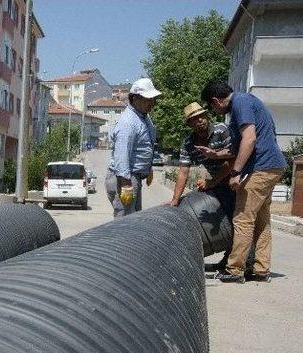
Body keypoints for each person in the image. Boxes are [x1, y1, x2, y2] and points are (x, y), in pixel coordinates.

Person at [201, 80, 287, 283]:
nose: (214, 110)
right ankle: (261, 269)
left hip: (262, 167)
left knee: (242, 219)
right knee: (261, 220)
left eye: (212, 106)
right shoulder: (244, 103)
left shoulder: (241, 103)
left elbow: (249, 139)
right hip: (272, 166)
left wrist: (236, 172)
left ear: (216, 101)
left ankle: (235, 270)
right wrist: (215, 154)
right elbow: (236, 148)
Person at [168, 102, 236, 271]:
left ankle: (240, 261)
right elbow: (183, 172)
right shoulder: (189, 143)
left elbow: (233, 159)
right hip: (219, 181)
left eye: (202, 116)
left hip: (237, 177)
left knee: (237, 221)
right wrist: (175, 201)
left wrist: (212, 182)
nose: (200, 121)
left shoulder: (221, 130)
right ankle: (229, 259)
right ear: (189, 124)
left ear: (207, 117)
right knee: (225, 219)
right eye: (194, 119)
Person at [105, 77, 161, 217]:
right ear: (135, 99)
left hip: (133, 177)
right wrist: (125, 184)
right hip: (125, 178)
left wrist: (148, 168)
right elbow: (122, 154)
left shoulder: (142, 116)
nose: (152, 103)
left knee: (133, 221)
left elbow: (144, 146)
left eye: (153, 99)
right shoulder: (128, 122)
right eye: (148, 99)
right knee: (124, 226)